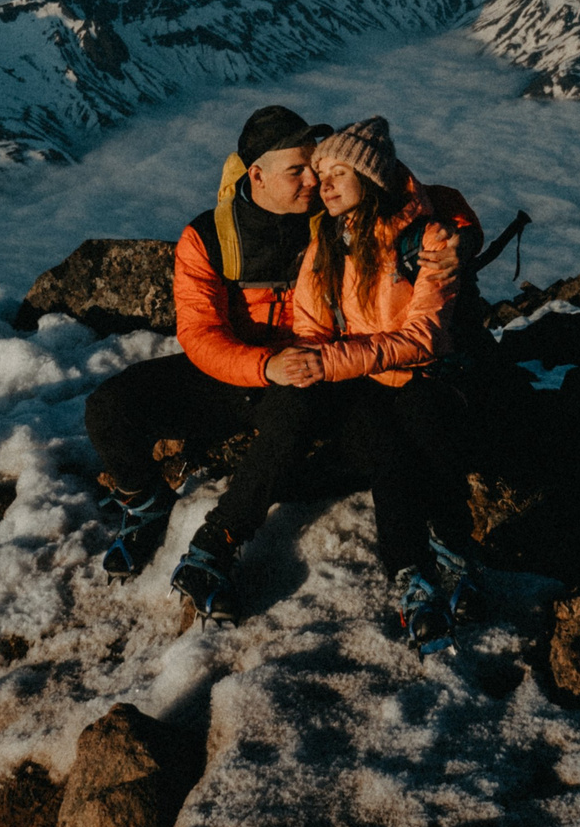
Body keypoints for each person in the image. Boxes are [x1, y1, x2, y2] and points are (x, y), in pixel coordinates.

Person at [168, 116, 485, 651]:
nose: (323, 184)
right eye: (316, 171)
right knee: (370, 436)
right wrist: (299, 365)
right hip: (355, 374)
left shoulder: (426, 240)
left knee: (415, 430)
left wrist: (465, 237)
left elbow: (425, 335)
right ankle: (218, 541)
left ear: (373, 178)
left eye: (339, 172)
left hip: (412, 372)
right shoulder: (325, 235)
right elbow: (308, 326)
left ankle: (434, 559)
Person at [81, 104, 331, 576]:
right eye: (296, 170)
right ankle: (147, 501)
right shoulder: (208, 237)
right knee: (109, 407)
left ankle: (223, 535)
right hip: (233, 371)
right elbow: (199, 333)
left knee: (293, 411)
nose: (312, 182)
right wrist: (263, 367)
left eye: (313, 168)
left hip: (302, 374)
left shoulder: (333, 224)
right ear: (256, 175)